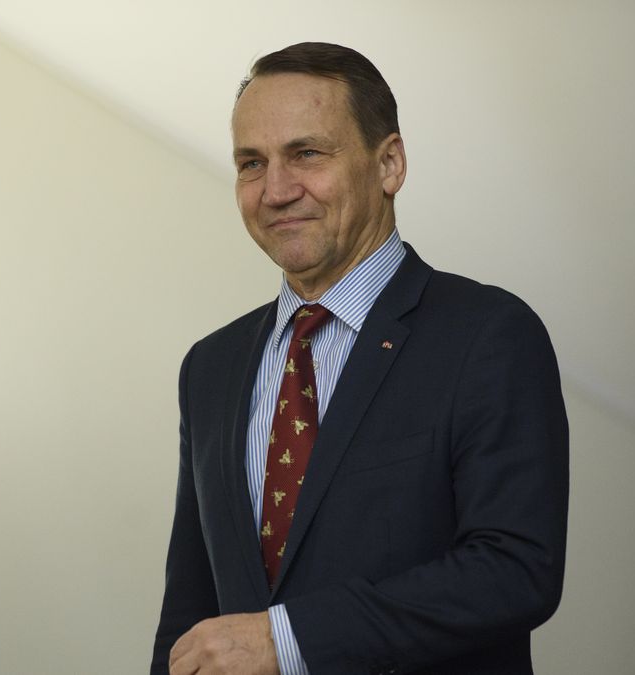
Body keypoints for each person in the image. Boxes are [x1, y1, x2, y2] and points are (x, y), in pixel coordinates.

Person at [153, 42, 568, 675]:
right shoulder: (209, 367)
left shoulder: (488, 334)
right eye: (250, 163)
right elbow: (192, 611)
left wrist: (285, 641)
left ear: (390, 163)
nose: (276, 190)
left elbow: (515, 570)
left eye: (307, 154)